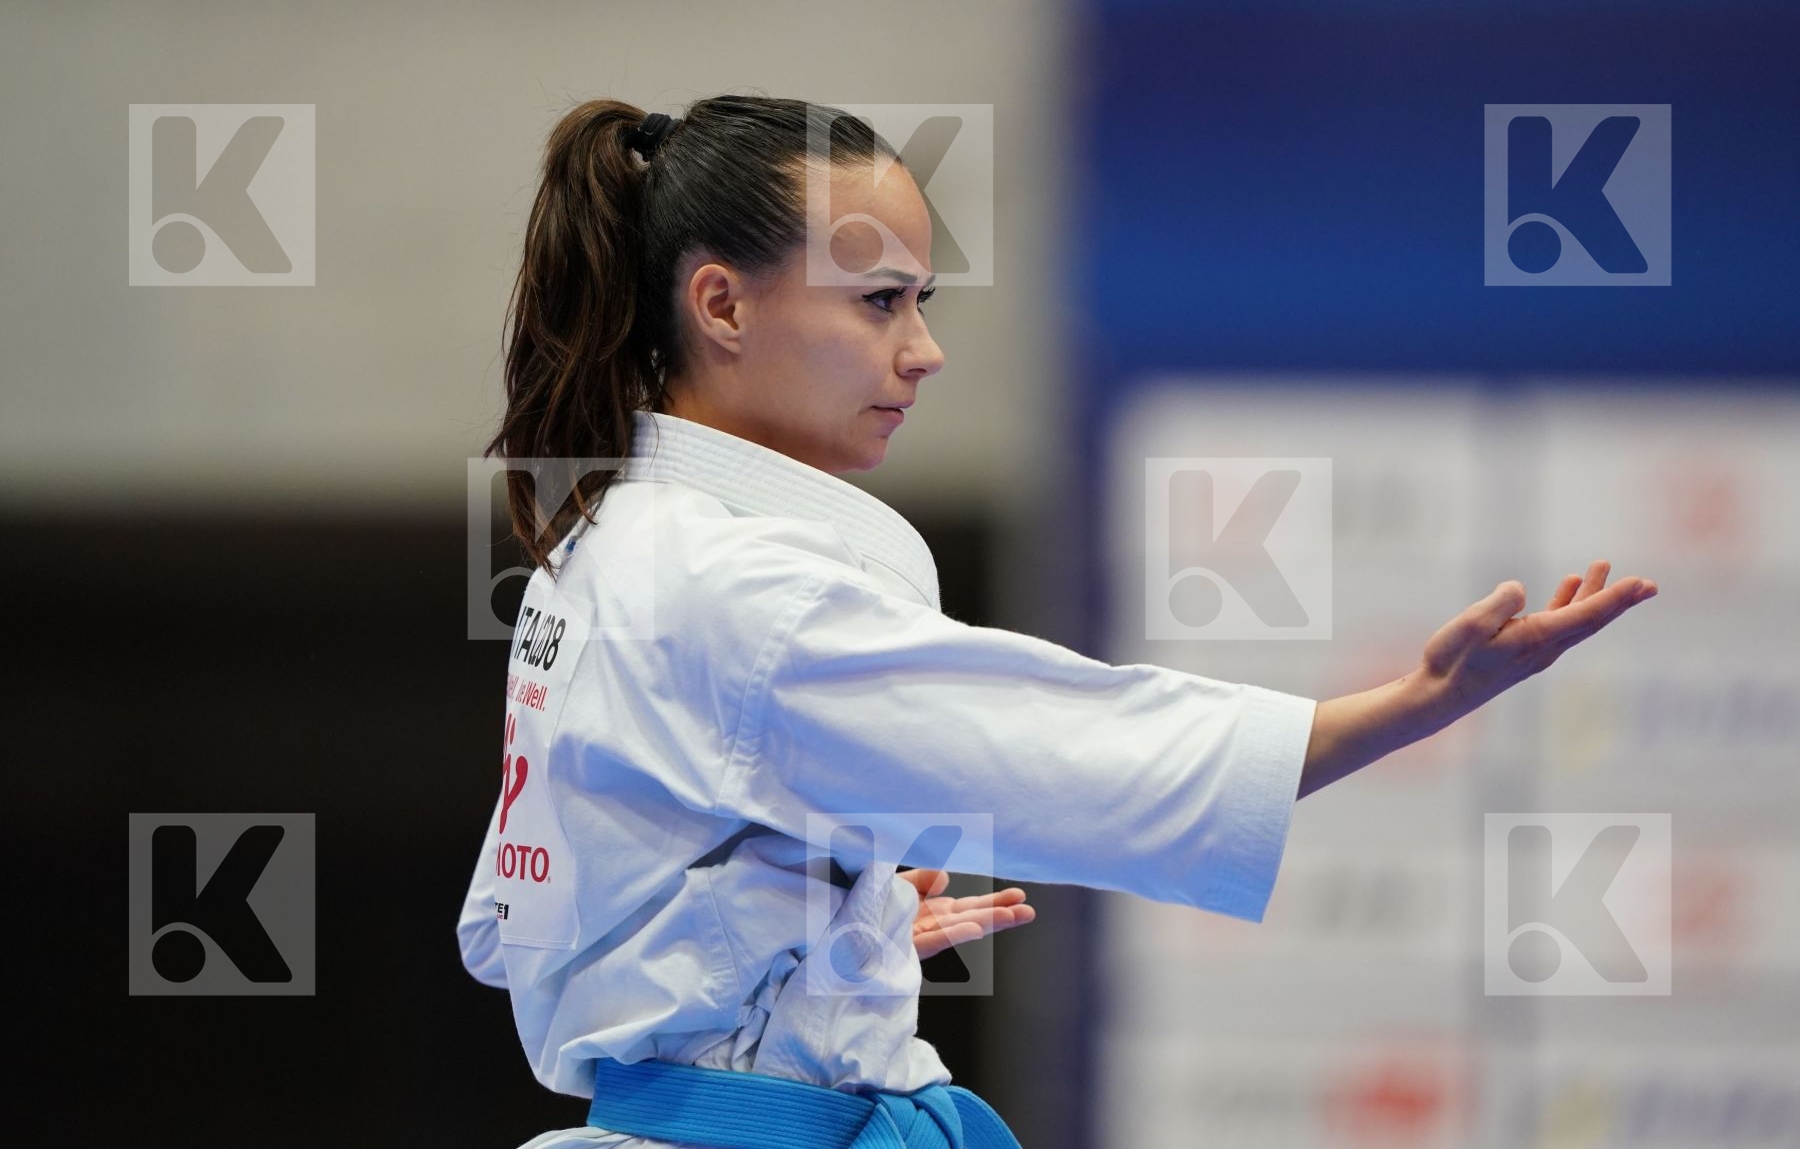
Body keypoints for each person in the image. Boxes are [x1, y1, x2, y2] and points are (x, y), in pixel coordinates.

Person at [456, 94, 1659, 1149]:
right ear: (721, 303)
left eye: (921, 302)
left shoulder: (601, 549)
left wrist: (816, 934)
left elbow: (514, 924)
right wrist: (1408, 709)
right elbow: (1075, 755)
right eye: (879, 303)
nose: (923, 352)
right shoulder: (731, 584)